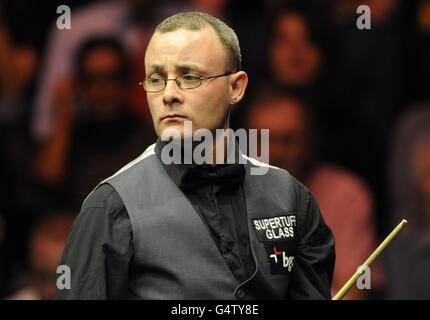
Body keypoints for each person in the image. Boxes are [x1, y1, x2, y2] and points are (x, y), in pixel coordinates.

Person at [56, 11, 335, 300]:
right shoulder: (110, 208)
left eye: (189, 77)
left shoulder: (292, 200)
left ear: (235, 87)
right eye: (156, 78)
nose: (169, 94)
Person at [247, 93, 384, 299]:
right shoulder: (226, 190)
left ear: (310, 141)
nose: (273, 153)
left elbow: (354, 290)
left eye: (287, 140)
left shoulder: (345, 194)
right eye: (262, 139)